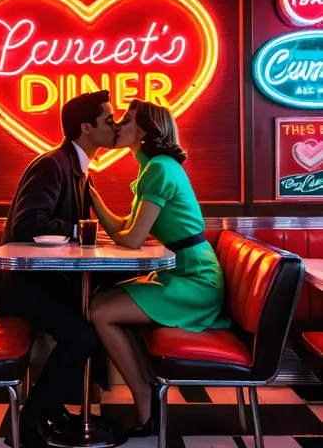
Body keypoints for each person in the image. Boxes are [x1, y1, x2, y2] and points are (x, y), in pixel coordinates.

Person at [0, 90, 117, 448]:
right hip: (23, 285)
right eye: (109, 120)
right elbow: (29, 222)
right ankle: (32, 417)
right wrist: (78, 230)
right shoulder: (52, 164)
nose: (115, 126)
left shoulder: (77, 168)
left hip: (47, 280)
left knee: (94, 321)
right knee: (84, 335)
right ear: (86, 128)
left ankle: (55, 409)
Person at [90, 99, 230, 436]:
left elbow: (132, 239)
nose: (118, 125)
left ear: (146, 130)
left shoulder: (159, 168)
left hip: (195, 279)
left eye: (126, 119)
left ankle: (144, 396)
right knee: (102, 303)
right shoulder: (152, 166)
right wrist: (92, 195)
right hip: (182, 272)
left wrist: (91, 196)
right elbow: (126, 228)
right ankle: (147, 390)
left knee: (99, 310)